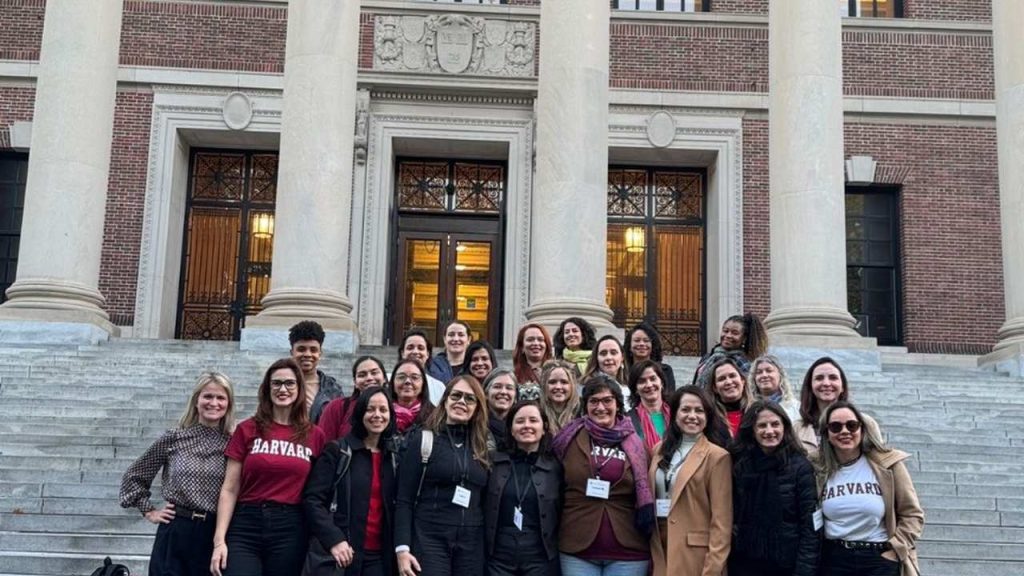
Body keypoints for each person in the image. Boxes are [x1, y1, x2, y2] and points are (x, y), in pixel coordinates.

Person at [210, 358, 327, 576]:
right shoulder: (247, 429)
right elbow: (230, 488)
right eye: (277, 383)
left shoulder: (315, 435)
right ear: (267, 388)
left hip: (290, 526)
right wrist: (219, 541)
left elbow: (317, 493)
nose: (283, 389)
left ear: (299, 389)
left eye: (290, 383)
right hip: (246, 523)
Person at [120, 372, 236, 576]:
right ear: (196, 401)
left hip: (215, 532)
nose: (213, 403)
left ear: (228, 403)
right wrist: (149, 511)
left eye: (220, 397)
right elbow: (135, 476)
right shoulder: (174, 438)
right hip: (176, 530)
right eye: (207, 396)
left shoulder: (233, 442)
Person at [553, 375, 654, 576]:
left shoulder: (636, 444)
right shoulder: (568, 438)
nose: (601, 407)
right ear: (585, 405)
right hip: (577, 548)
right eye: (594, 401)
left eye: (607, 400)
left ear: (618, 404)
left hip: (628, 549)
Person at [395, 376, 492, 576]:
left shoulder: (483, 447)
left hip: (471, 543)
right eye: (456, 395)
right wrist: (402, 548)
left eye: (469, 399)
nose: (461, 402)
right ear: (445, 400)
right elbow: (404, 499)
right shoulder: (424, 439)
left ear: (477, 407)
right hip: (429, 537)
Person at [817, 402, 924, 576]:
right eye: (835, 427)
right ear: (827, 434)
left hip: (878, 557)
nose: (844, 431)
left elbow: (912, 514)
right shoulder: (817, 468)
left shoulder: (888, 465)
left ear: (862, 429)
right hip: (833, 559)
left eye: (851, 425)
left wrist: (895, 550)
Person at [303, 386, 398, 576]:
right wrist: (334, 539)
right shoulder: (337, 451)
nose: (377, 415)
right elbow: (312, 500)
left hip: (379, 557)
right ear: (360, 412)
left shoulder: (394, 456)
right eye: (370, 409)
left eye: (383, 410)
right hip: (341, 554)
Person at [727, 400, 818, 576]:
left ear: (785, 427)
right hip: (744, 563)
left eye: (775, 424)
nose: (769, 431)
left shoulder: (800, 467)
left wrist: (804, 571)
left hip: (786, 565)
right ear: (752, 430)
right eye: (762, 425)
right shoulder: (739, 464)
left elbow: (810, 525)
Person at [649, 386, 732, 576]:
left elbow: (722, 522)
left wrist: (713, 569)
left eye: (699, 410)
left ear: (708, 416)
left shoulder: (717, 457)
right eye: (685, 409)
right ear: (675, 414)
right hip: (659, 547)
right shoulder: (658, 450)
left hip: (696, 555)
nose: (692, 416)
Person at [485, 401, 564, 576]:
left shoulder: (556, 467)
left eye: (533, 420)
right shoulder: (492, 462)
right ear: (511, 429)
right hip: (498, 557)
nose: (527, 425)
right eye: (520, 421)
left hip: (540, 556)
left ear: (543, 428)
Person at [319, 355, 388, 442]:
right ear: (355, 382)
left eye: (374, 373)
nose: (369, 378)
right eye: (362, 375)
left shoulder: (394, 408)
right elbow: (323, 444)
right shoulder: (337, 407)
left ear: (384, 378)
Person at [692, 313, 768, 390]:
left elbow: (751, 390)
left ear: (744, 338)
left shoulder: (742, 362)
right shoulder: (708, 357)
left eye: (735, 333)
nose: (728, 335)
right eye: (725, 331)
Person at [289, 320, 345, 424]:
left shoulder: (333, 390)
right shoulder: (279, 384)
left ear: (320, 353)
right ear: (292, 352)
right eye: (301, 349)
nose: (307, 354)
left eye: (313, 350)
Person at [796, 356, 850, 453]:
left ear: (843, 387)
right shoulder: (796, 428)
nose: (826, 383)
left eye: (833, 378)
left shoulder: (864, 423)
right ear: (810, 387)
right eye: (819, 378)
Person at [625, 360, 671, 453]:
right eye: (642, 381)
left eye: (653, 378)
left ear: (661, 383)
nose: (649, 385)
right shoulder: (628, 421)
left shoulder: (677, 413)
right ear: (636, 389)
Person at [388, 358, 435, 438]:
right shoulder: (382, 413)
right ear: (392, 382)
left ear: (423, 383)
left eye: (414, 377)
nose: (408, 381)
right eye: (401, 377)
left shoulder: (434, 416)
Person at [706, 357, 753, 437]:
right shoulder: (709, 417)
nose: (728, 382)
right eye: (721, 379)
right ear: (715, 388)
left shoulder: (757, 411)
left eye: (732, 376)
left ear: (742, 381)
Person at [397, 329, 446, 404]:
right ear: (402, 353)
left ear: (428, 354)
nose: (415, 352)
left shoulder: (439, 387)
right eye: (410, 348)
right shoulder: (389, 381)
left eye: (421, 348)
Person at [624, 322, 676, 392]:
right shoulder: (623, 372)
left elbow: (670, 396)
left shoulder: (665, 371)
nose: (642, 344)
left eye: (646, 340)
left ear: (653, 345)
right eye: (637, 340)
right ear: (629, 346)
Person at [748, 354, 801, 424]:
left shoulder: (796, 407)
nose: (764, 375)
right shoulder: (747, 406)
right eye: (759, 372)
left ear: (780, 375)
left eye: (769, 371)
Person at [582, 335, 629, 404]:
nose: (608, 357)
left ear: (622, 358)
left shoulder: (629, 386)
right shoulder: (585, 386)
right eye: (603, 353)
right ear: (596, 358)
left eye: (613, 353)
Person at [539, 359, 581, 435]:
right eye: (552, 382)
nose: (558, 387)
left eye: (564, 382)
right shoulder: (536, 411)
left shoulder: (583, 411)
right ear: (544, 385)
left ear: (572, 385)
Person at [513, 323, 553, 399]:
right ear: (522, 347)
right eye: (530, 339)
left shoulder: (555, 372)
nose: (536, 343)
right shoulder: (514, 377)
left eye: (540, 340)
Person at [484, 369, 519, 449]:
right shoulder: (475, 426)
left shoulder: (522, 427)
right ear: (486, 393)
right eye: (497, 387)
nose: (503, 392)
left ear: (516, 397)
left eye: (509, 388)